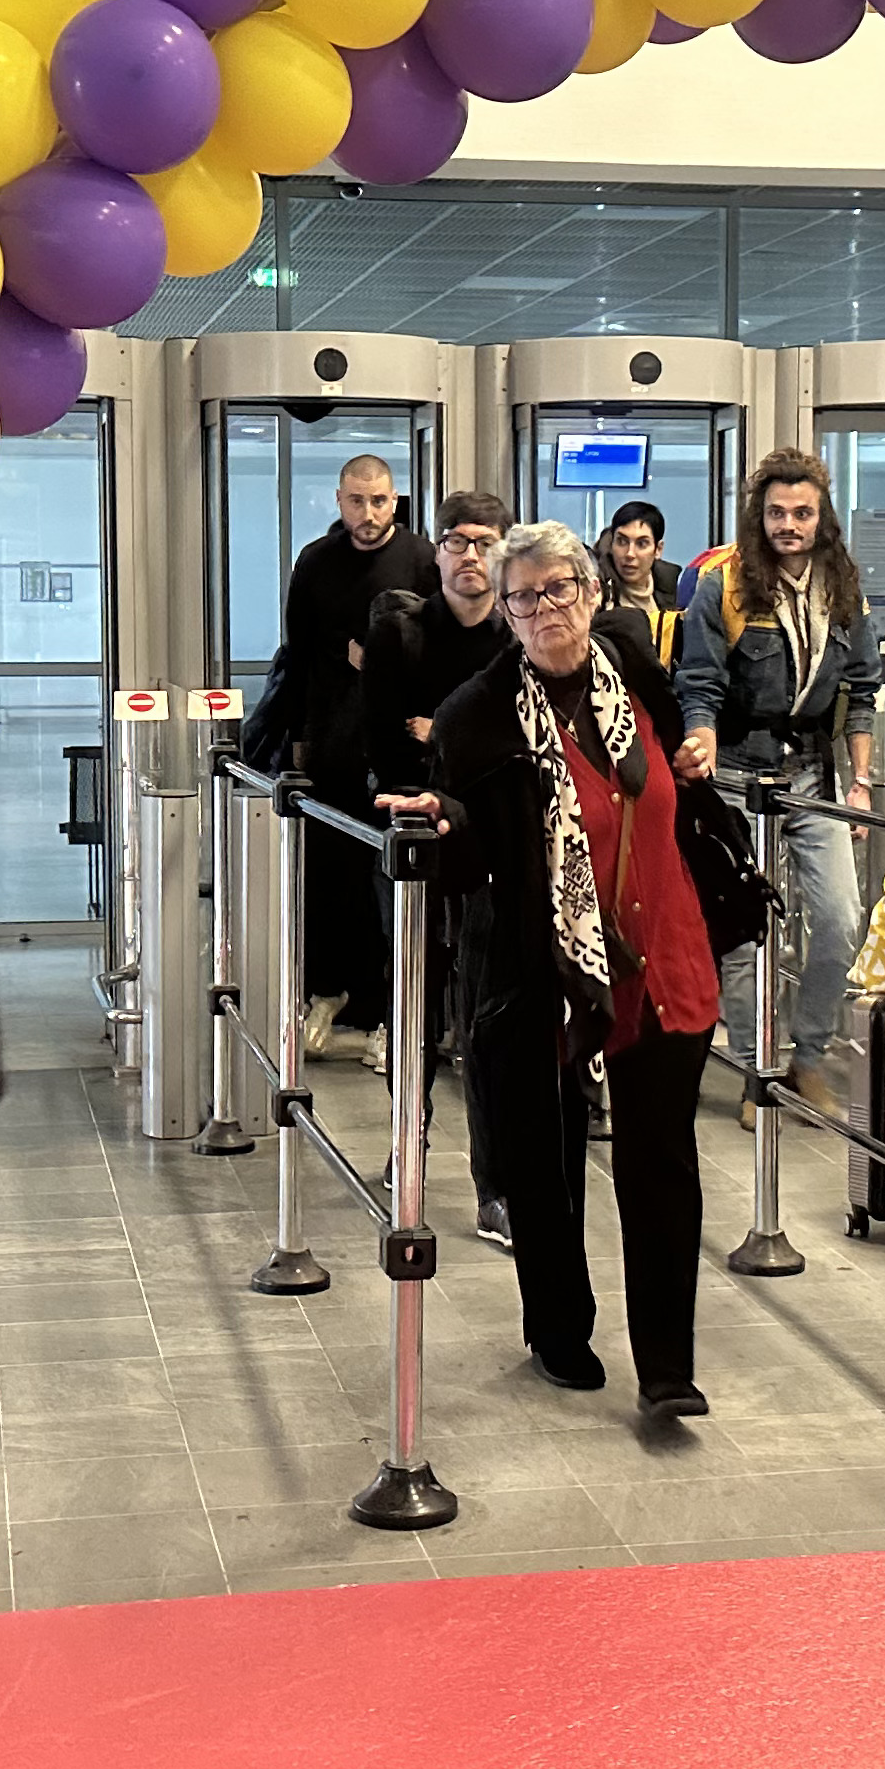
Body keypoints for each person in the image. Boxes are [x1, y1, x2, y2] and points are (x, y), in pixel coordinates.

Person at [394, 525, 720, 1414]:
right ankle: (559, 1331)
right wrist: (445, 820)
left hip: (662, 953)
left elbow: (681, 778)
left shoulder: (633, 673)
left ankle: (667, 1367)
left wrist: (699, 744)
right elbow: (469, 865)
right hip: (542, 967)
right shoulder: (475, 713)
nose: (547, 609)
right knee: (545, 1157)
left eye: (561, 587)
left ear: (592, 588)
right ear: (502, 612)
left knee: (660, 1162)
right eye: (524, 596)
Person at [678, 450, 879, 1104]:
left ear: (823, 518)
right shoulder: (727, 586)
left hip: (811, 774)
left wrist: (861, 780)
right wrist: (700, 739)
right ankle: (754, 1070)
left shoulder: (844, 590)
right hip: (737, 772)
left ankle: (809, 1053)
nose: (788, 525)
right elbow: (700, 682)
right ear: (758, 516)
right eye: (776, 513)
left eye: (802, 513)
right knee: (745, 934)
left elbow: (864, 688)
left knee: (841, 918)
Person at [366, 491, 516, 1237]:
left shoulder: (514, 636)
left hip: (490, 842)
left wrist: (440, 730)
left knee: (487, 1019)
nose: (469, 556)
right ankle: (407, 1143)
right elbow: (381, 743)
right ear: (438, 550)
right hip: (410, 841)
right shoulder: (402, 632)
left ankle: (495, 1186)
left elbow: (518, 748)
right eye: (456, 541)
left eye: (484, 542)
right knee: (413, 1005)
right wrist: (454, 744)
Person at [249, 454, 433, 1055]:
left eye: (380, 501)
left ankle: (392, 1012)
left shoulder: (422, 559)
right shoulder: (316, 562)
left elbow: (436, 655)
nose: (370, 513)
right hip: (330, 741)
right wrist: (296, 738)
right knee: (328, 879)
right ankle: (326, 991)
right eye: (358, 501)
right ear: (339, 499)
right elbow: (297, 656)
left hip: (399, 749)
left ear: (395, 499)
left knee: (393, 883)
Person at [597, 499, 679, 667]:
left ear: (658, 550)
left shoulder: (674, 593)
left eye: (642, 544)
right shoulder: (597, 593)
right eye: (622, 541)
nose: (630, 553)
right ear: (611, 543)